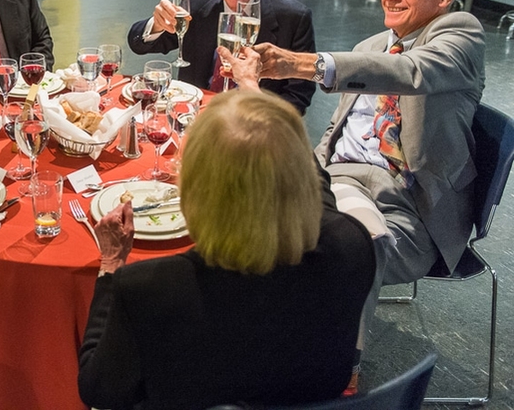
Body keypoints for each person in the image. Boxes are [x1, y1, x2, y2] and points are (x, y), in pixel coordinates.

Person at [78, 86, 376, 409]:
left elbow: (98, 389)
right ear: (301, 176)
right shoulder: (351, 249)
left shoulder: (151, 290)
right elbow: (321, 198)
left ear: (195, 194)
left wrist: (110, 266)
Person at [256, 0, 485, 289]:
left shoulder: (460, 34)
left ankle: (337, 345)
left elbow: (411, 71)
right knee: (245, 211)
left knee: (345, 254)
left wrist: (301, 64)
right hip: (337, 180)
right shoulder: (372, 46)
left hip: (406, 207)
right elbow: (336, 129)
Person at [127, 0, 316, 114]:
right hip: (196, 115)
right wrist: (158, 24)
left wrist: (258, 119)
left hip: (253, 122)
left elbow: (298, 96)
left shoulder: (293, 18)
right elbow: (139, 45)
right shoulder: (197, 2)